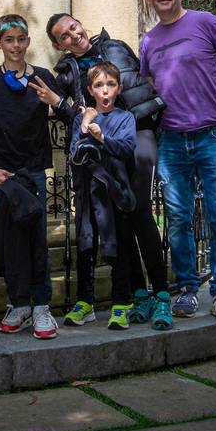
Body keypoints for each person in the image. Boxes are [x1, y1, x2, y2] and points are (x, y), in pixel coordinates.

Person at [39, 14, 171, 330]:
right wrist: (61, 104)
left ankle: (162, 294)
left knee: (138, 210)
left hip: (137, 131)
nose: (73, 35)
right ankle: (138, 293)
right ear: (59, 45)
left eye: (73, 27)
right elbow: (75, 115)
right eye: (64, 36)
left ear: (81, 25)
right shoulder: (67, 72)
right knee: (118, 216)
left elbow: (145, 84)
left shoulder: (115, 47)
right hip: (104, 141)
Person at [139, 0, 216, 323]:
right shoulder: (148, 41)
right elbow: (148, 83)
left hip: (213, 134)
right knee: (177, 218)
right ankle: (188, 289)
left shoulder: (205, 22)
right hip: (172, 139)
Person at [0, 15, 61, 339]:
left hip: (32, 172)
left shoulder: (42, 77)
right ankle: (19, 303)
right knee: (8, 242)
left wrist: (53, 101)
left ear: (28, 42)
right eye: (8, 40)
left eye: (20, 39)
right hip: (0, 174)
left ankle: (41, 306)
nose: (15, 45)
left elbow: (67, 110)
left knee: (35, 239)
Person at [65, 62, 139, 330]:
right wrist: (86, 124)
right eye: (99, 85)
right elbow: (74, 153)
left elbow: (127, 147)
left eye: (110, 85)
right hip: (87, 195)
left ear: (119, 88)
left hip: (113, 195)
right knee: (85, 247)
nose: (105, 91)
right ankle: (85, 302)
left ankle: (122, 302)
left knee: (116, 247)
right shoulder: (82, 118)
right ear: (90, 90)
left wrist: (103, 138)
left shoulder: (125, 117)